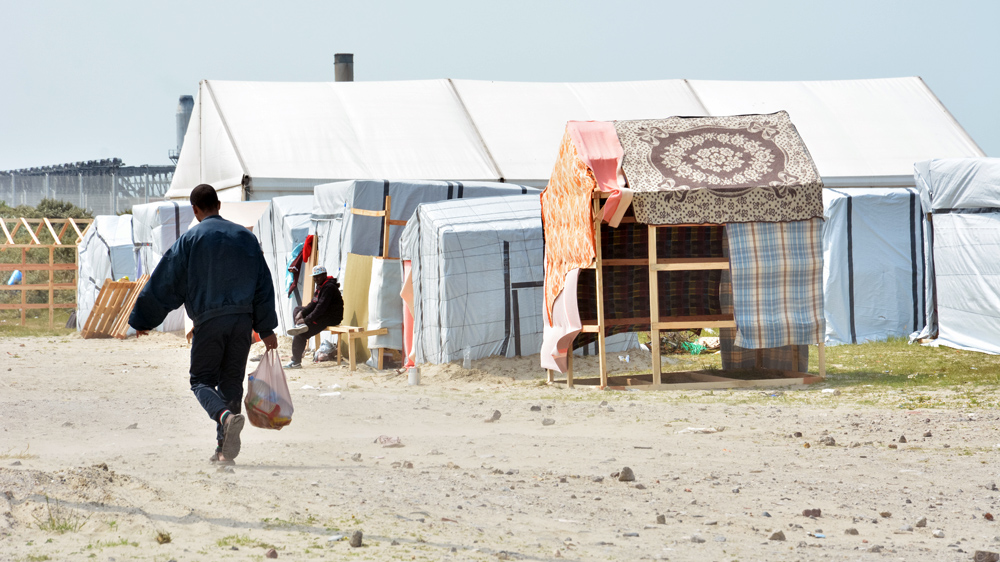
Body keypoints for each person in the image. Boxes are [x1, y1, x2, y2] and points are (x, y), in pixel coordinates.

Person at [129, 184, 278, 466]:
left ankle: (224, 419)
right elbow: (263, 285)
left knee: (201, 381)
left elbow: (165, 282)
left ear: (195, 210)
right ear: (219, 204)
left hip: (210, 322)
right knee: (231, 385)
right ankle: (224, 452)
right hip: (241, 323)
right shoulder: (246, 238)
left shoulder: (190, 240)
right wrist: (267, 328)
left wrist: (143, 318)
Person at [285, 265, 343, 368]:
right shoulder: (321, 285)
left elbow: (320, 308)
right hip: (323, 313)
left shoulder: (329, 287)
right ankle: (300, 327)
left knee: (300, 334)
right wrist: (302, 314)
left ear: (324, 275)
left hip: (331, 317)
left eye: (318, 276)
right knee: (298, 309)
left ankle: (296, 362)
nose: (316, 279)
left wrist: (306, 320)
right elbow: (313, 303)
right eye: (314, 277)